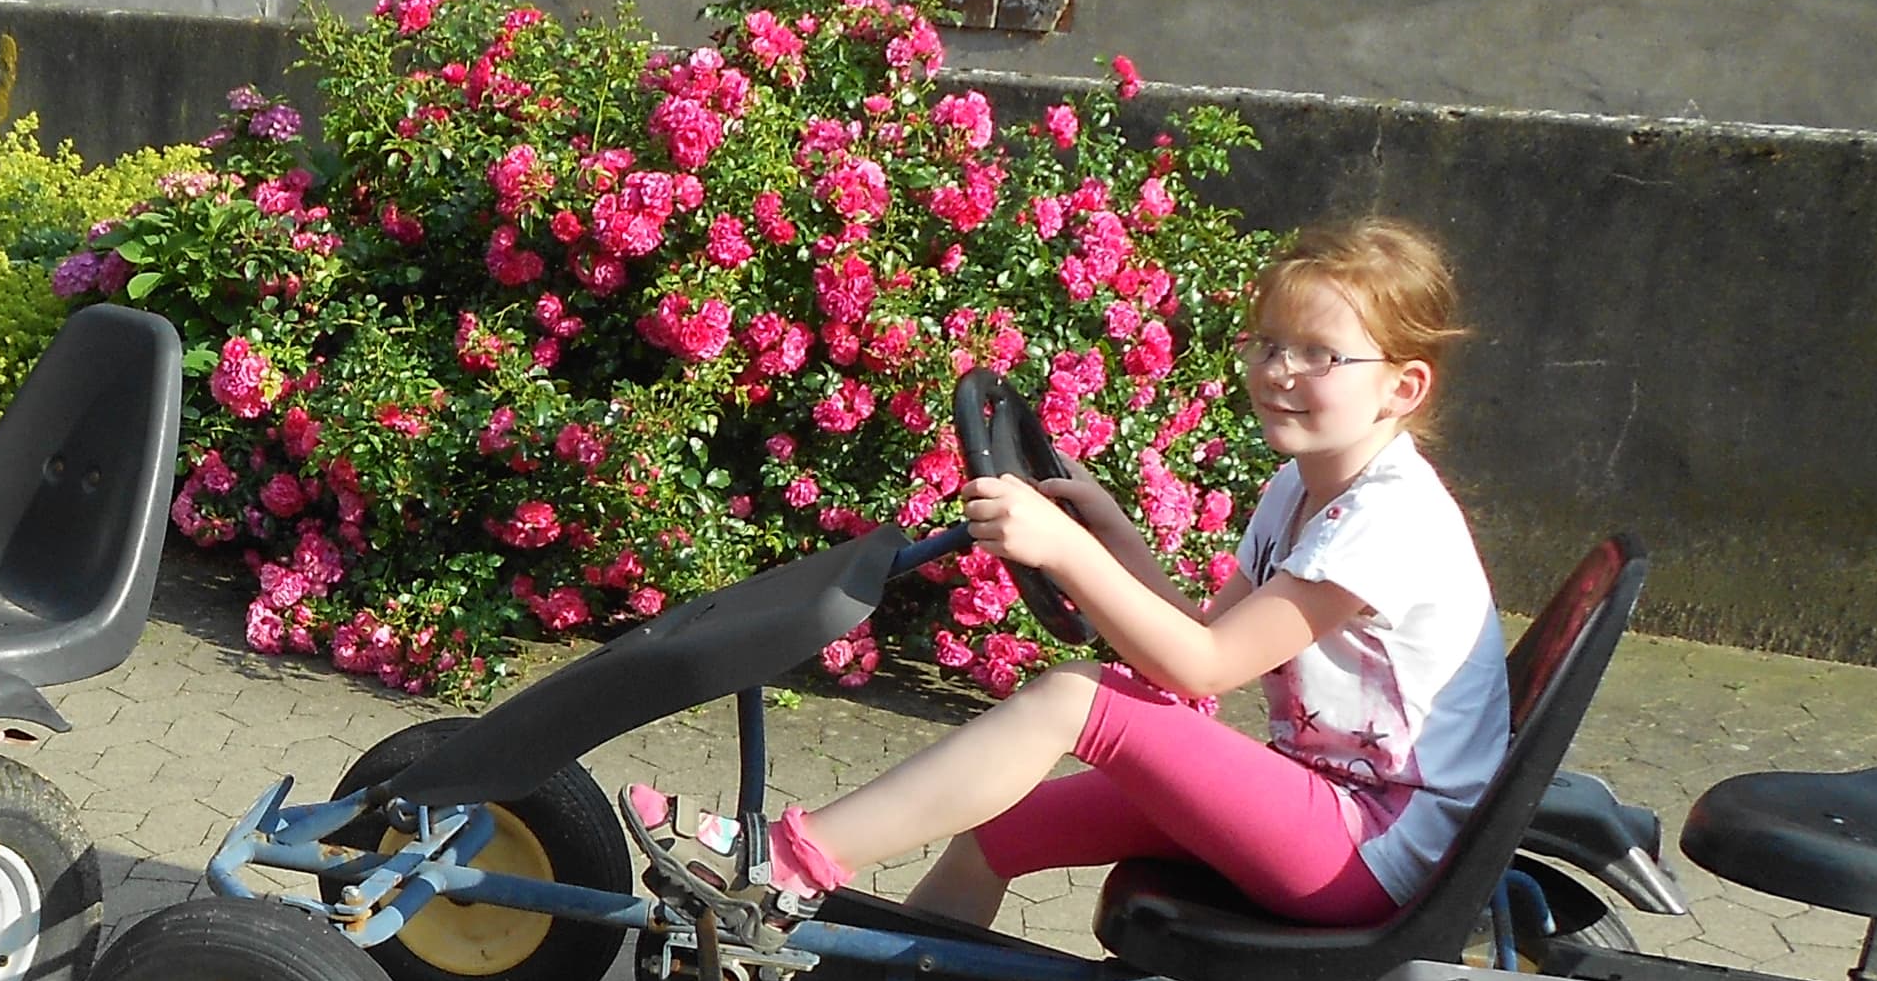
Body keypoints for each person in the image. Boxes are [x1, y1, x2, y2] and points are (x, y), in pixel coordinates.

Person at [635, 216, 1510, 931]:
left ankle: (787, 860)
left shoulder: (1385, 520)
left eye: (1320, 355)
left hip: (1374, 850)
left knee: (1073, 697)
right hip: (1324, 807)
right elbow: (1205, 636)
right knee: (996, 829)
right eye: (1268, 344)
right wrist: (1117, 536)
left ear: (1403, 389)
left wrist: (1063, 549)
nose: (1279, 372)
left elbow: (1201, 672)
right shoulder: (1302, 489)